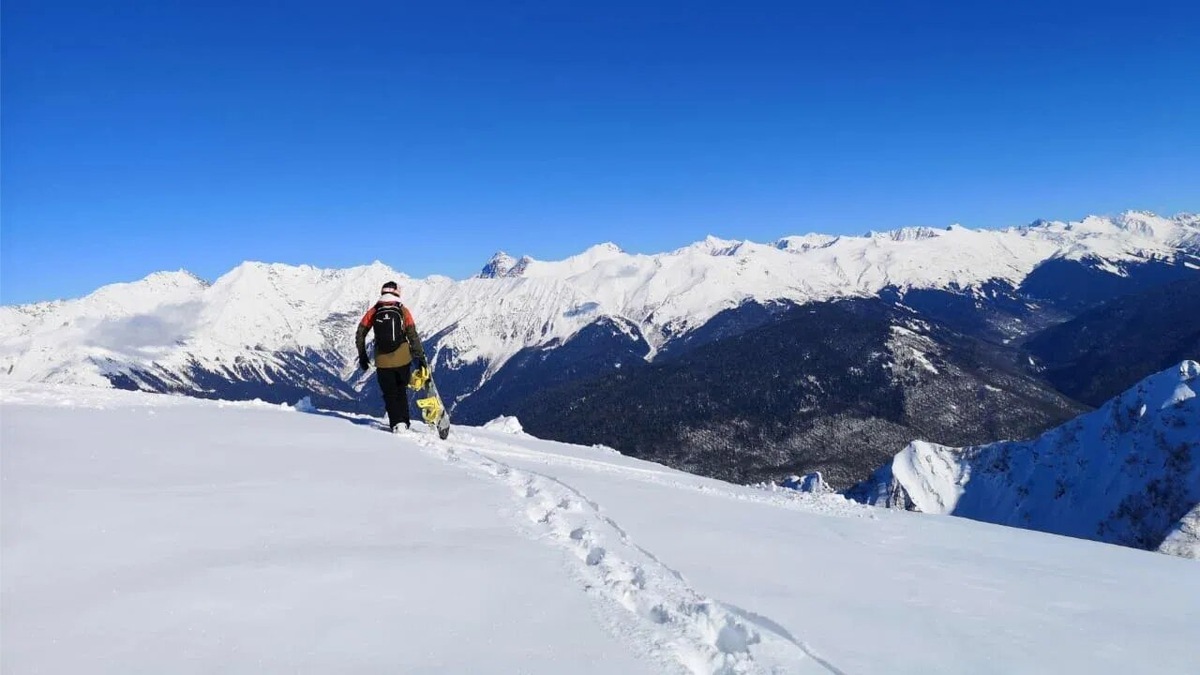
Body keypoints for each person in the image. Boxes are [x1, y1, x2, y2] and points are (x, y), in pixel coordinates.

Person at [355, 281, 428, 432]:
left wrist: (362, 356)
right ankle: (405, 422)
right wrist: (420, 359)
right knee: (401, 391)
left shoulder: (374, 311)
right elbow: (413, 336)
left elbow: (360, 333)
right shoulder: (403, 310)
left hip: (382, 361)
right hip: (403, 359)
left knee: (390, 394)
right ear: (397, 293)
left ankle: (396, 423)